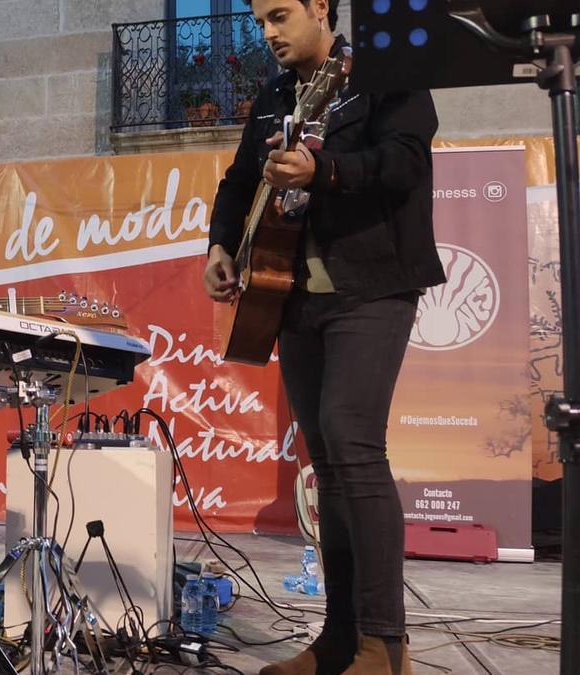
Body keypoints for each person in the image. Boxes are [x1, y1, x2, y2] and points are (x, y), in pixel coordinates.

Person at [203, 2, 445, 674]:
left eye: (279, 14)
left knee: (352, 441)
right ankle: (340, 639)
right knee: (328, 466)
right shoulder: (277, 95)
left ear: (319, 6)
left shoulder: (385, 72)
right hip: (292, 293)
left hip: (374, 283)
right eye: (257, 22)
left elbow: (404, 163)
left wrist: (324, 171)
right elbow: (239, 181)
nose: (267, 33)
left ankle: (384, 645)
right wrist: (221, 244)